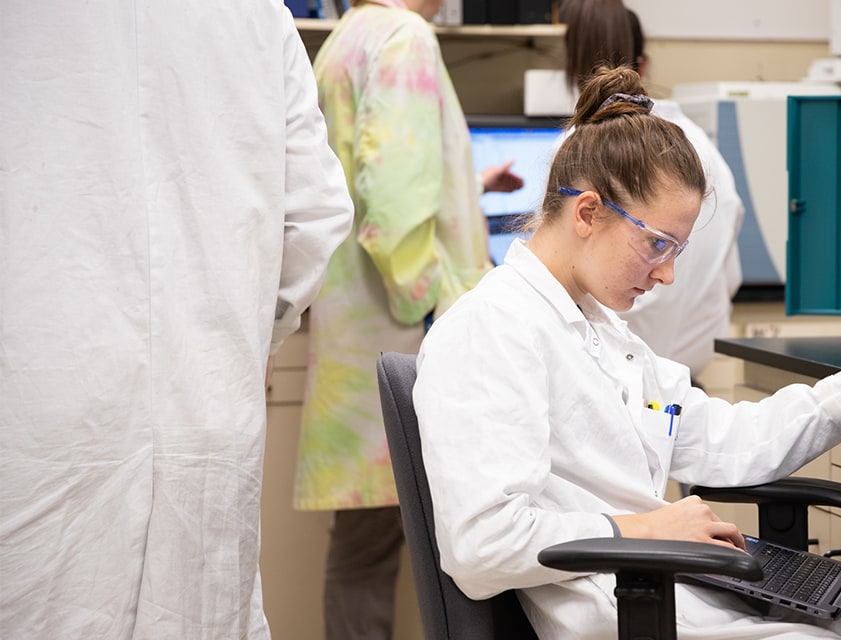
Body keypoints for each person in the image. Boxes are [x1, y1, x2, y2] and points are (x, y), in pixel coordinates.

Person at [411, 67, 841, 639]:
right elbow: (481, 545)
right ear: (587, 213)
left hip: (685, 597)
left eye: (677, 252)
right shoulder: (491, 330)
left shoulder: (599, 332)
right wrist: (647, 529)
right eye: (657, 245)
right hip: (632, 615)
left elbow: (724, 440)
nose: (666, 276)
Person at [0, 1, 353, 637]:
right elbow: (317, 217)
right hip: (206, 409)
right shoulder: (254, 14)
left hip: (37, 425)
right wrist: (248, 338)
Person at [291, 1, 521, 638]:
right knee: (453, 546)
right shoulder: (405, 36)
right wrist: (436, 311)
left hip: (358, 336)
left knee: (364, 548)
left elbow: (369, 175)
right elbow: (391, 209)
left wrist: (466, 187)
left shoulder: (346, 38)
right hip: (405, 333)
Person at [561, 0, 745, 382]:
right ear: (642, 67)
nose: (666, 274)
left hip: (624, 381)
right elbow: (729, 278)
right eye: (658, 244)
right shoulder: (702, 148)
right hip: (685, 376)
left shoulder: (579, 151)